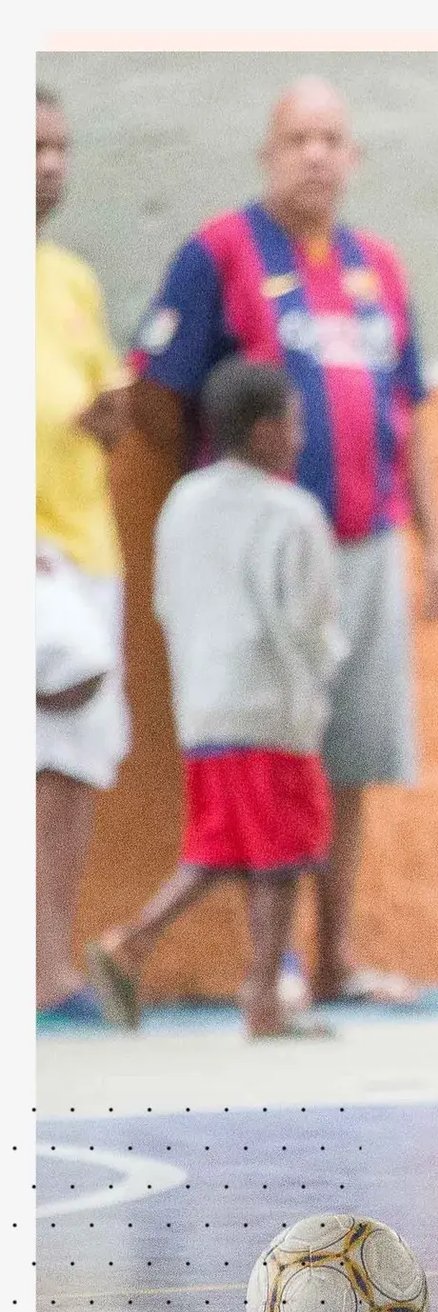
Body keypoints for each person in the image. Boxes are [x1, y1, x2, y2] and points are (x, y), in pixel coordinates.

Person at [127, 76, 438, 1011]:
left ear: (354, 159)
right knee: (269, 756)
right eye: (297, 138)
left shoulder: (378, 268)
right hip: (257, 566)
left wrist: (433, 542)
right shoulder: (220, 253)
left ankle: (336, 958)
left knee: (349, 756)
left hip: (365, 543)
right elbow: (156, 386)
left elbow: (409, 410)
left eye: (332, 138)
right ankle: (272, 971)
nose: (316, 154)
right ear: (268, 154)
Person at [90, 360, 346, 1040]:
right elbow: (307, 623)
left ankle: (137, 945)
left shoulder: (185, 502)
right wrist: (322, 679)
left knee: (226, 846)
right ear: (265, 432)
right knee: (280, 858)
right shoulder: (291, 514)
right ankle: (259, 995)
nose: (300, 437)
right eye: (293, 423)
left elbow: (168, 601)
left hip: (204, 707)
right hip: (272, 709)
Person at [36, 85, 137, 1029]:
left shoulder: (70, 278)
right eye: (31, 148)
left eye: (60, 148)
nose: (50, 165)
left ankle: (48, 966)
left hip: (81, 545)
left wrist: (110, 416)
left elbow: (106, 401)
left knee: (72, 754)